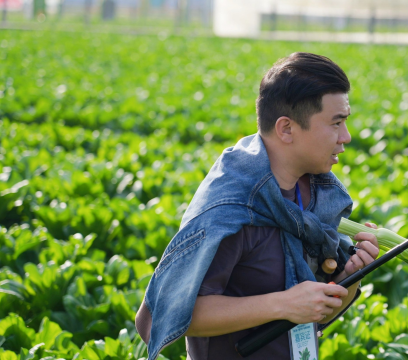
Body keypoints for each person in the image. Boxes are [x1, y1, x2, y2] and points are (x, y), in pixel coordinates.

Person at [135, 52, 380, 360]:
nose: (346, 136)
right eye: (336, 122)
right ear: (286, 129)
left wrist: (350, 279)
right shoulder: (231, 208)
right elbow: (167, 315)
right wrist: (282, 304)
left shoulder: (314, 195)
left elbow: (316, 315)